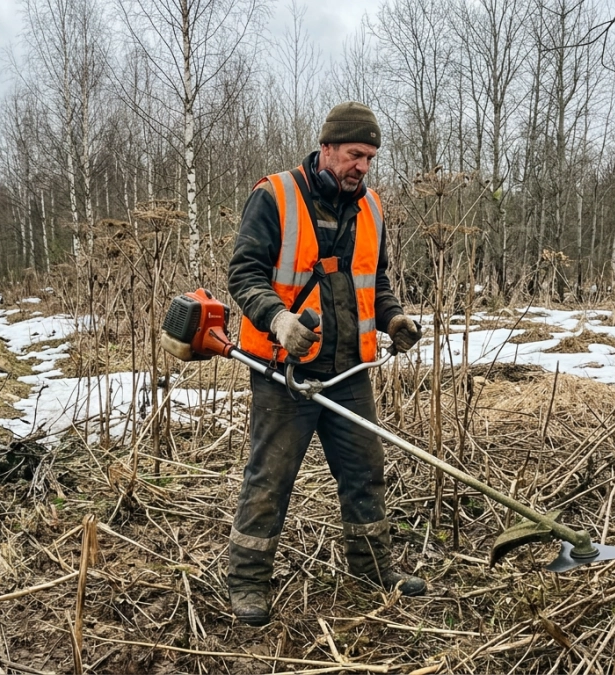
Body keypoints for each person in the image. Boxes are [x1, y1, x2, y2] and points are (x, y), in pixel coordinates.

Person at [225, 101, 426, 626]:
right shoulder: (275, 196)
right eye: (355, 154)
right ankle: (247, 581)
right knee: (270, 478)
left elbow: (374, 281)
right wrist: (278, 320)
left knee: (365, 472)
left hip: (349, 370)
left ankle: (372, 570)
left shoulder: (371, 207)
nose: (363, 166)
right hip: (284, 370)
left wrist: (393, 319)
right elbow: (244, 274)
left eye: (371, 158)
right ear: (327, 147)